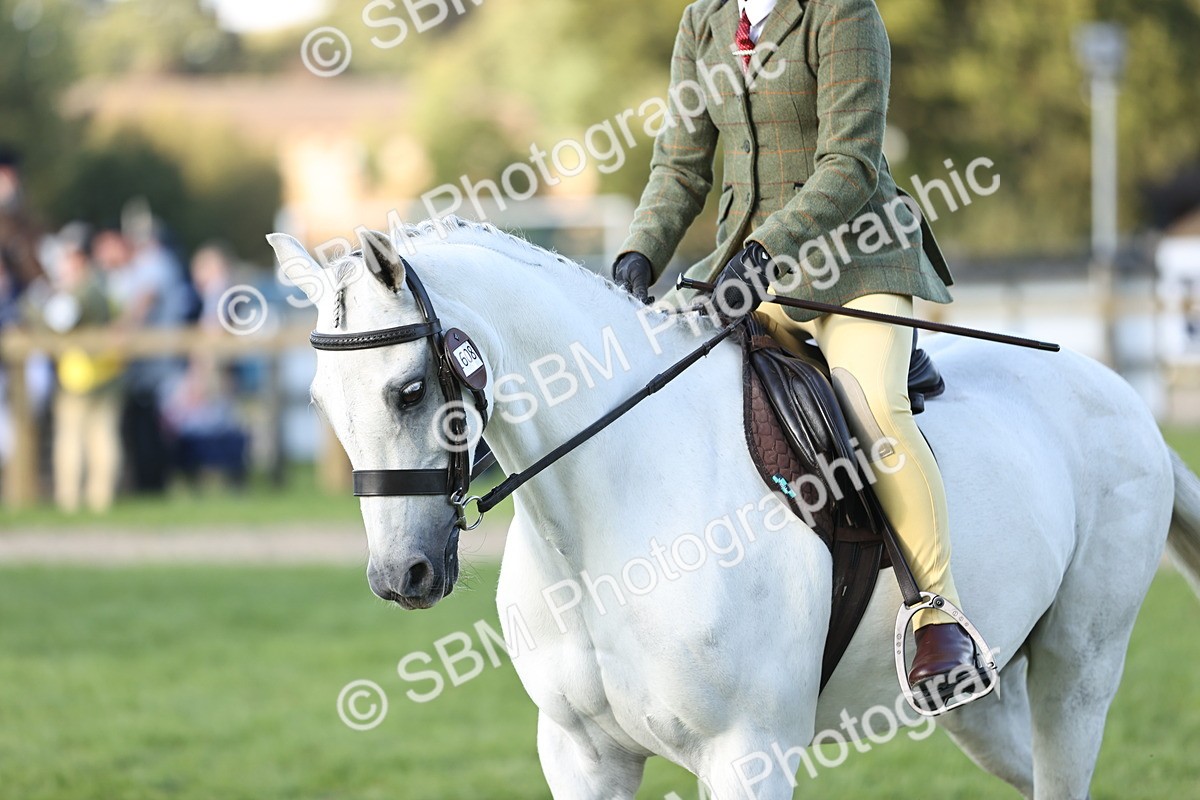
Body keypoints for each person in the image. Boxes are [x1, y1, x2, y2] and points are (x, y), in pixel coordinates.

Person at [611, 0, 975, 698]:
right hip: (748, 275)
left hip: (857, 263)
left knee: (872, 410)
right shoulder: (704, 21)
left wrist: (764, 249)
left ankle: (938, 616)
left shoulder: (842, 13)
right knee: (664, 392)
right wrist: (638, 253)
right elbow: (682, 165)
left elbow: (850, 162)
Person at [41, 224, 123, 513]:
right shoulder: (105, 285)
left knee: (75, 441)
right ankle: (97, 499)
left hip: (81, 376)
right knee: (101, 438)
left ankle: (72, 499)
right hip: (103, 373)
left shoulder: (83, 289)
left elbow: (58, 320)